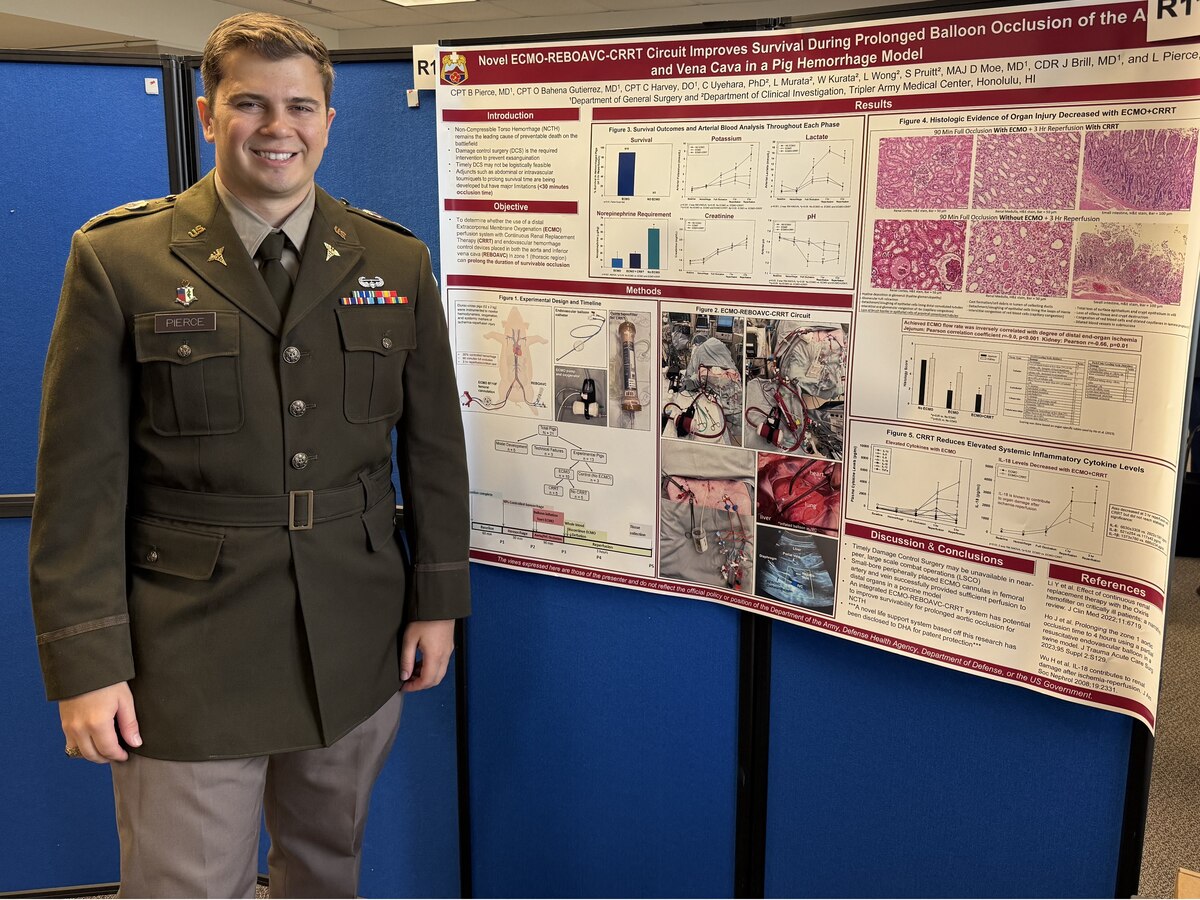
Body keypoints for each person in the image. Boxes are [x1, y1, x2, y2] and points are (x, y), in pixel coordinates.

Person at [28, 12, 470, 897]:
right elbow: (78, 483)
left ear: (330, 122)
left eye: (301, 106)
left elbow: (432, 452)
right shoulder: (121, 259)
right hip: (188, 648)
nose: (279, 128)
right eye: (251, 104)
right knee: (183, 886)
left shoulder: (394, 259)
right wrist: (85, 663)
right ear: (206, 114)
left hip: (353, 632)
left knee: (324, 871)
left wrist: (438, 603)